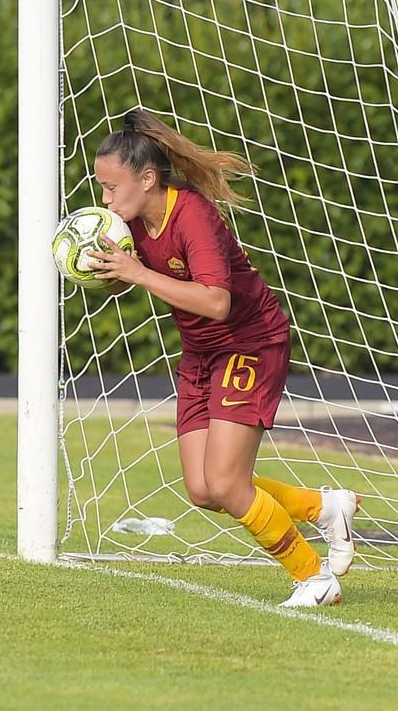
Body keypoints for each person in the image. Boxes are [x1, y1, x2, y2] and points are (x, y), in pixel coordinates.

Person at [88, 108, 359, 606]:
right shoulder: (134, 225)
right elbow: (143, 276)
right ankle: (326, 508)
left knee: (229, 482)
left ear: (147, 178)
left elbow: (217, 302)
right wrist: (104, 269)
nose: (105, 199)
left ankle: (313, 578)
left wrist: (137, 274)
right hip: (201, 354)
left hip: (249, 343)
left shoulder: (191, 212)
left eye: (111, 187)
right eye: (101, 188)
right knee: (205, 489)